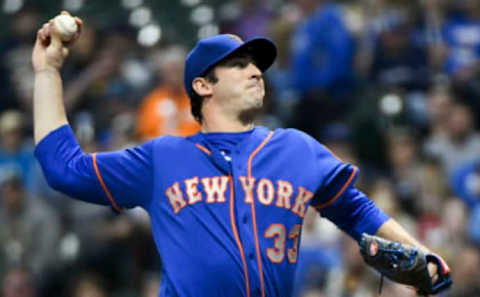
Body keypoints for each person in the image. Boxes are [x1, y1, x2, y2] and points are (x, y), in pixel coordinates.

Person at [32, 12, 449, 297]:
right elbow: (63, 169)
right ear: (202, 85)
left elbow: (357, 212)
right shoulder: (163, 158)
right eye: (239, 64)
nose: (255, 71)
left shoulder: (296, 149)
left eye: (257, 64)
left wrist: (429, 259)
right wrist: (48, 72)